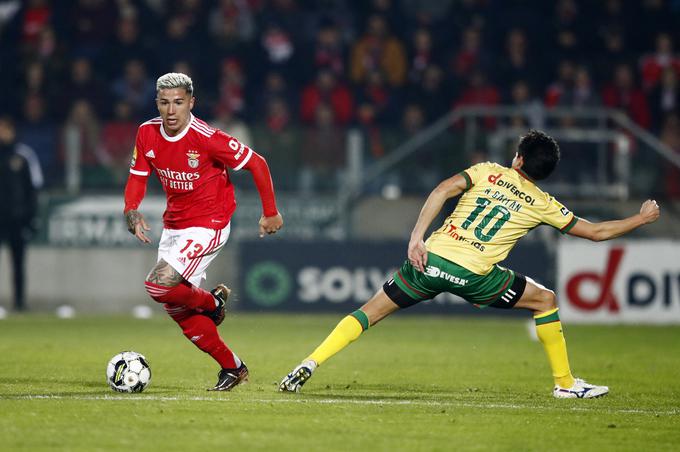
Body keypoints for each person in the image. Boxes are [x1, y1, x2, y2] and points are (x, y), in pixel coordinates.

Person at [280, 130, 660, 399]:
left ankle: (310, 363)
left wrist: (416, 238)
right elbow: (595, 232)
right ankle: (564, 383)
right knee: (544, 300)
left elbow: (441, 190)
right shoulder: (543, 202)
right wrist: (640, 219)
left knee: (368, 313)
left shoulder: (486, 171)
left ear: (519, 159)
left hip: (430, 259)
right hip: (476, 277)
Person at [124, 73, 283, 391]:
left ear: (191, 103)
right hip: (174, 225)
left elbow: (258, 163)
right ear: (157, 103)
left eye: (178, 103)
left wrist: (270, 212)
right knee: (178, 310)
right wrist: (131, 209)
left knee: (158, 285)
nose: (171, 110)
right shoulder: (146, 133)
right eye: (165, 102)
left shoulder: (207, 137)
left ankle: (213, 304)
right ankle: (232, 367)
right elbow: (138, 175)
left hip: (210, 222)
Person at [0, 115, 43, 312]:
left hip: (16, 217)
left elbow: (34, 187)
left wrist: (31, 216)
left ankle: (19, 303)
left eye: (5, 129)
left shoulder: (24, 155)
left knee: (18, 262)